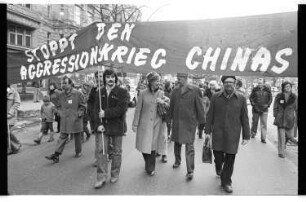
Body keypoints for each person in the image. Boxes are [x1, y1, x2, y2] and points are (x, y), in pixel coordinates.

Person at [205, 76, 250, 193]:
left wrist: (246, 135)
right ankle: (218, 166)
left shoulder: (241, 98)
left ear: (235, 83)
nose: (228, 84)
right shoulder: (216, 97)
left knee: (230, 158)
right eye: (226, 82)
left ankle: (226, 182)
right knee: (218, 156)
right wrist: (207, 132)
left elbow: (245, 118)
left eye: (231, 82)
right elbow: (210, 115)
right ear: (223, 84)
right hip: (218, 133)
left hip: (233, 134)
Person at [94, 69, 129, 189]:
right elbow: (95, 111)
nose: (110, 79)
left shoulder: (122, 92)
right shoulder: (99, 92)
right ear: (104, 79)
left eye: (112, 77)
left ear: (115, 78)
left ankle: (115, 174)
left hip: (117, 126)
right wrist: (98, 123)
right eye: (108, 77)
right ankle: (101, 177)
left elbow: (121, 109)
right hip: (103, 127)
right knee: (101, 151)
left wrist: (106, 114)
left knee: (117, 152)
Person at [169, 73, 205, 180]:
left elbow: (200, 106)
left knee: (189, 146)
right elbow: (171, 106)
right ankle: (177, 160)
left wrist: (202, 122)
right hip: (177, 121)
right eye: (177, 78)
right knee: (177, 142)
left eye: (179, 78)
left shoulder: (195, 90)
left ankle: (190, 170)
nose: (178, 80)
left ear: (185, 78)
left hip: (189, 123)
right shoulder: (175, 90)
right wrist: (168, 119)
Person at [132, 72, 169, 176]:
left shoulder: (161, 93)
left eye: (159, 80)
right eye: (156, 80)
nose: (158, 82)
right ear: (151, 81)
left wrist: (163, 103)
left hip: (157, 123)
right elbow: (138, 109)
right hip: (144, 123)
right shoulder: (142, 93)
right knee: (144, 146)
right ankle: (147, 162)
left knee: (152, 147)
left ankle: (150, 167)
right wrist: (135, 124)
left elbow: (167, 106)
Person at [45, 76, 86, 163]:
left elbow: (83, 106)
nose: (63, 85)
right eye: (62, 83)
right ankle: (56, 155)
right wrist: (59, 112)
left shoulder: (78, 93)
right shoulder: (60, 94)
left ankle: (78, 151)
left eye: (65, 83)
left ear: (70, 84)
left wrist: (79, 114)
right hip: (65, 119)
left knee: (77, 136)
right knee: (62, 136)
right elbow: (57, 104)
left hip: (76, 119)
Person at [273, 81, 298, 158]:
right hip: (280, 119)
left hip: (289, 119)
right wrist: (276, 115)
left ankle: (285, 143)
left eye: (289, 86)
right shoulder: (279, 96)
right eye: (286, 86)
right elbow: (275, 106)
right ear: (283, 87)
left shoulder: (294, 97)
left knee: (290, 136)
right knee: (281, 137)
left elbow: (296, 108)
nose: (288, 88)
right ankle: (281, 152)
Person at [249, 78, 272, 143]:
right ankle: (253, 133)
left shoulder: (267, 90)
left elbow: (270, 98)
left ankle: (263, 138)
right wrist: (254, 105)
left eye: (261, 83)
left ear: (263, 83)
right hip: (256, 109)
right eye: (259, 83)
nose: (260, 84)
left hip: (264, 109)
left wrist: (267, 105)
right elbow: (251, 98)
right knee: (255, 122)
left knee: (264, 124)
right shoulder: (254, 89)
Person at [88, 71, 103, 167]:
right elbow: (90, 104)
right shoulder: (94, 89)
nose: (99, 78)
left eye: (101, 76)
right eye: (97, 76)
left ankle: (106, 155)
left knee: (105, 139)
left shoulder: (108, 88)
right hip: (96, 118)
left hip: (105, 118)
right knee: (98, 139)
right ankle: (98, 159)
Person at [7, 84, 22, 155]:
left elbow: (17, 103)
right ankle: (14, 146)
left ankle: (15, 146)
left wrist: (10, 113)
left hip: (11, 115)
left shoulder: (14, 92)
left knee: (7, 131)